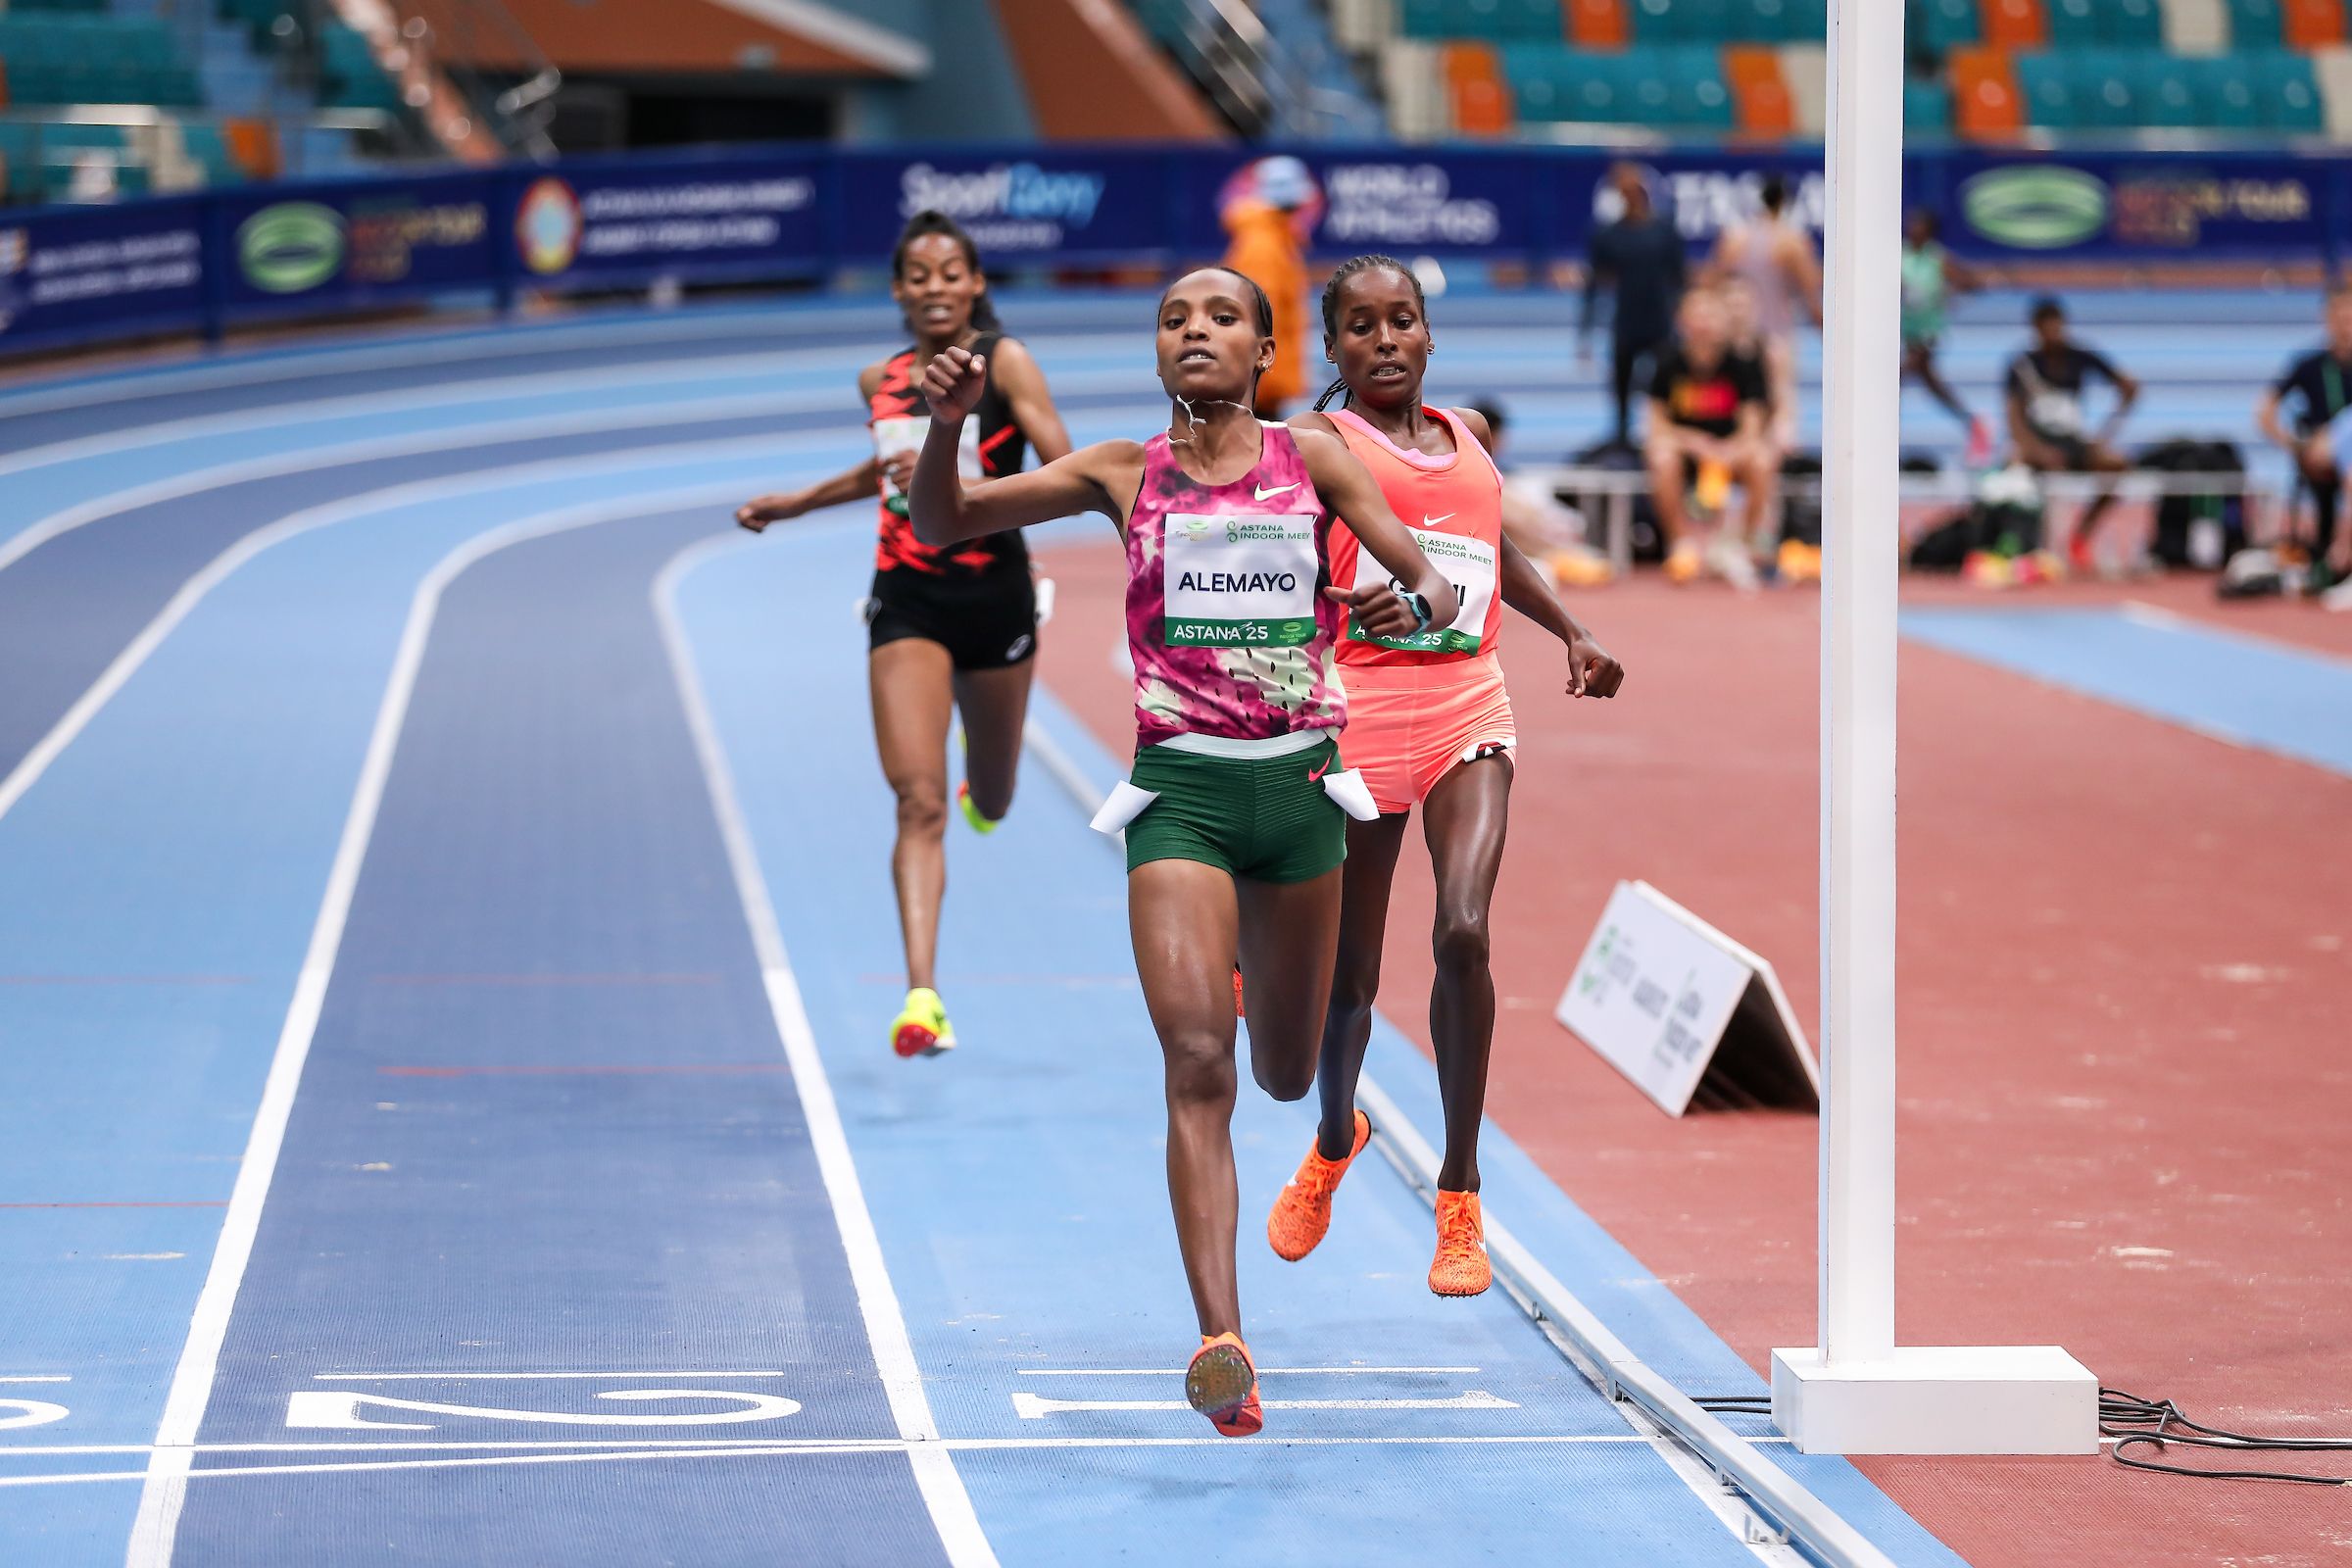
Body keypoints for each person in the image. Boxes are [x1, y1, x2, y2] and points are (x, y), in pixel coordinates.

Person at [907, 268, 1458, 1437]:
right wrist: (951, 422)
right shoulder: (1122, 472)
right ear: (1157, 353)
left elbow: (1430, 580)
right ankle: (1224, 1339)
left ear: (1263, 350)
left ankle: (1318, 1092)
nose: (1195, 331)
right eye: (1175, 318)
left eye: (1221, 318)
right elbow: (947, 517)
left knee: (1285, 1073)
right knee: (1200, 1058)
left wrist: (1400, 606)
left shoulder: (1313, 459)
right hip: (1181, 795)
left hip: (1306, 791)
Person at [1266, 256, 1625, 1298]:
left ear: (1430, 336)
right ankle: (1335, 1142)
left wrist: (1574, 628)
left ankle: (1460, 1195)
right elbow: (1273, 563)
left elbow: (1489, 545)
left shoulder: (1466, 430)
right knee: (1351, 980)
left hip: (1469, 703)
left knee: (1464, 929)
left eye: (1403, 322)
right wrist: (1336, 613)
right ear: (1331, 347)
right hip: (1361, 714)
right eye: (1362, 327)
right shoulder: (1317, 443)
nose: (1385, 340)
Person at [735, 211, 1071, 1061]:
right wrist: (794, 502)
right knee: (916, 801)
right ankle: (923, 995)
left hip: (995, 597)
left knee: (988, 799)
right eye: (917, 275)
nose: (934, 287)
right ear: (898, 290)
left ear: (976, 284)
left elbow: (1066, 469)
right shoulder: (878, 379)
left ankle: (981, 792)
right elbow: (882, 468)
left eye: (950, 272)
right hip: (907, 599)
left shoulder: (1007, 362)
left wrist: (982, 488)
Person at [1645, 287, 1773, 587]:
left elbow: (1752, 426)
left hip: (1731, 451)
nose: (1704, 323)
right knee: (1661, 456)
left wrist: (1727, 450)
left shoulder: (1744, 364)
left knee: (1762, 460)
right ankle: (1681, 544)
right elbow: (1657, 425)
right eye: (1697, 314)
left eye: (1710, 315)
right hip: (1686, 451)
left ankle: (1742, 544)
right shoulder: (1666, 362)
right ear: (1682, 321)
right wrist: (1695, 444)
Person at [2005, 297, 2139, 574]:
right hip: (2038, 443)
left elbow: (2129, 386)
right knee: (2016, 470)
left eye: (2059, 326)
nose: (2055, 333)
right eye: (2048, 328)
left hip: (2073, 441)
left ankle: (2081, 534)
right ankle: (2029, 547)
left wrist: (2106, 433)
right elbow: (2014, 418)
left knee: (2117, 466)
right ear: (2036, 329)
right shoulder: (2022, 365)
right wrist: (2035, 450)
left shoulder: (2079, 356)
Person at [1707, 172, 1820, 452]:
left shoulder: (1735, 238)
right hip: (1775, 335)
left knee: (1738, 401)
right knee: (1780, 404)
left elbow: (1712, 283)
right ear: (1785, 203)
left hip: (1736, 335)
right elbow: (1811, 292)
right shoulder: (1792, 242)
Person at [1582, 162, 1688, 449]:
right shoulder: (1608, 235)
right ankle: (1622, 437)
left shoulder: (1665, 232)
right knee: (1621, 383)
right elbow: (1593, 285)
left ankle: (1672, 430)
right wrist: (1585, 333)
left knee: (1669, 380)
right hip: (1627, 321)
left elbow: (1680, 279)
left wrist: (1682, 320)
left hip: (1660, 321)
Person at [2257, 282, 2352, 594]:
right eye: (2340, 316)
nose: (2346, 324)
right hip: (2318, 455)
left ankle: (2342, 553)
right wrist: (2294, 445)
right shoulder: (2309, 366)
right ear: (2327, 318)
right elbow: (2265, 412)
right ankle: (2335, 558)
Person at [1221, 155, 1315, 417]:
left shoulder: (1276, 238)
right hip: (1261, 376)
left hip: (1266, 373)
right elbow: (1256, 312)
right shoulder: (1263, 244)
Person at [1899, 210, 1992, 466]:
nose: (1912, 228)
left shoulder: (1937, 259)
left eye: (1918, 224)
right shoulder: (1901, 255)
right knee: (1930, 384)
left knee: (1897, 377)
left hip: (1929, 332)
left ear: (1929, 231)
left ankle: (1876, 430)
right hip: (1909, 330)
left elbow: (1973, 283)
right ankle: (1973, 423)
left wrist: (1948, 294)